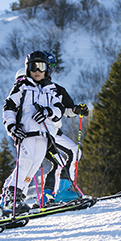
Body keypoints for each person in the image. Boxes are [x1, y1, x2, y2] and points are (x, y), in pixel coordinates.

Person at [1, 51, 64, 214]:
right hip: (26, 133)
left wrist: (48, 112)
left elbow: (59, 109)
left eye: (41, 66)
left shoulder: (51, 89)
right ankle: (11, 198)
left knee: (34, 166)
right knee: (25, 163)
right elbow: (9, 107)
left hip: (44, 135)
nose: (37, 70)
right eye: (32, 66)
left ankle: (18, 197)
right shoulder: (22, 86)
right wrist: (12, 126)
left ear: (47, 69)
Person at [41, 51, 89, 202]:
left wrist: (77, 110)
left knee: (58, 163)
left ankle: (47, 195)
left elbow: (67, 110)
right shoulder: (33, 89)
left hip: (54, 132)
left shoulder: (58, 90)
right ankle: (62, 191)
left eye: (52, 67)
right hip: (43, 132)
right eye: (47, 67)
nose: (49, 71)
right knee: (73, 152)